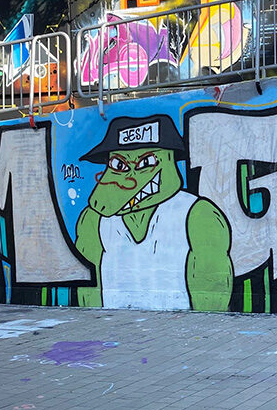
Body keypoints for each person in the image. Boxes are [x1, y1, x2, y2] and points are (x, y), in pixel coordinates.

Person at [74, 115, 233, 311]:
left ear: (170, 160)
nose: (130, 176)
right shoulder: (93, 219)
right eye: (119, 165)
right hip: (114, 324)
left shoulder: (197, 214)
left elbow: (213, 290)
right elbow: (88, 287)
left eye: (146, 162)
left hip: (180, 325)